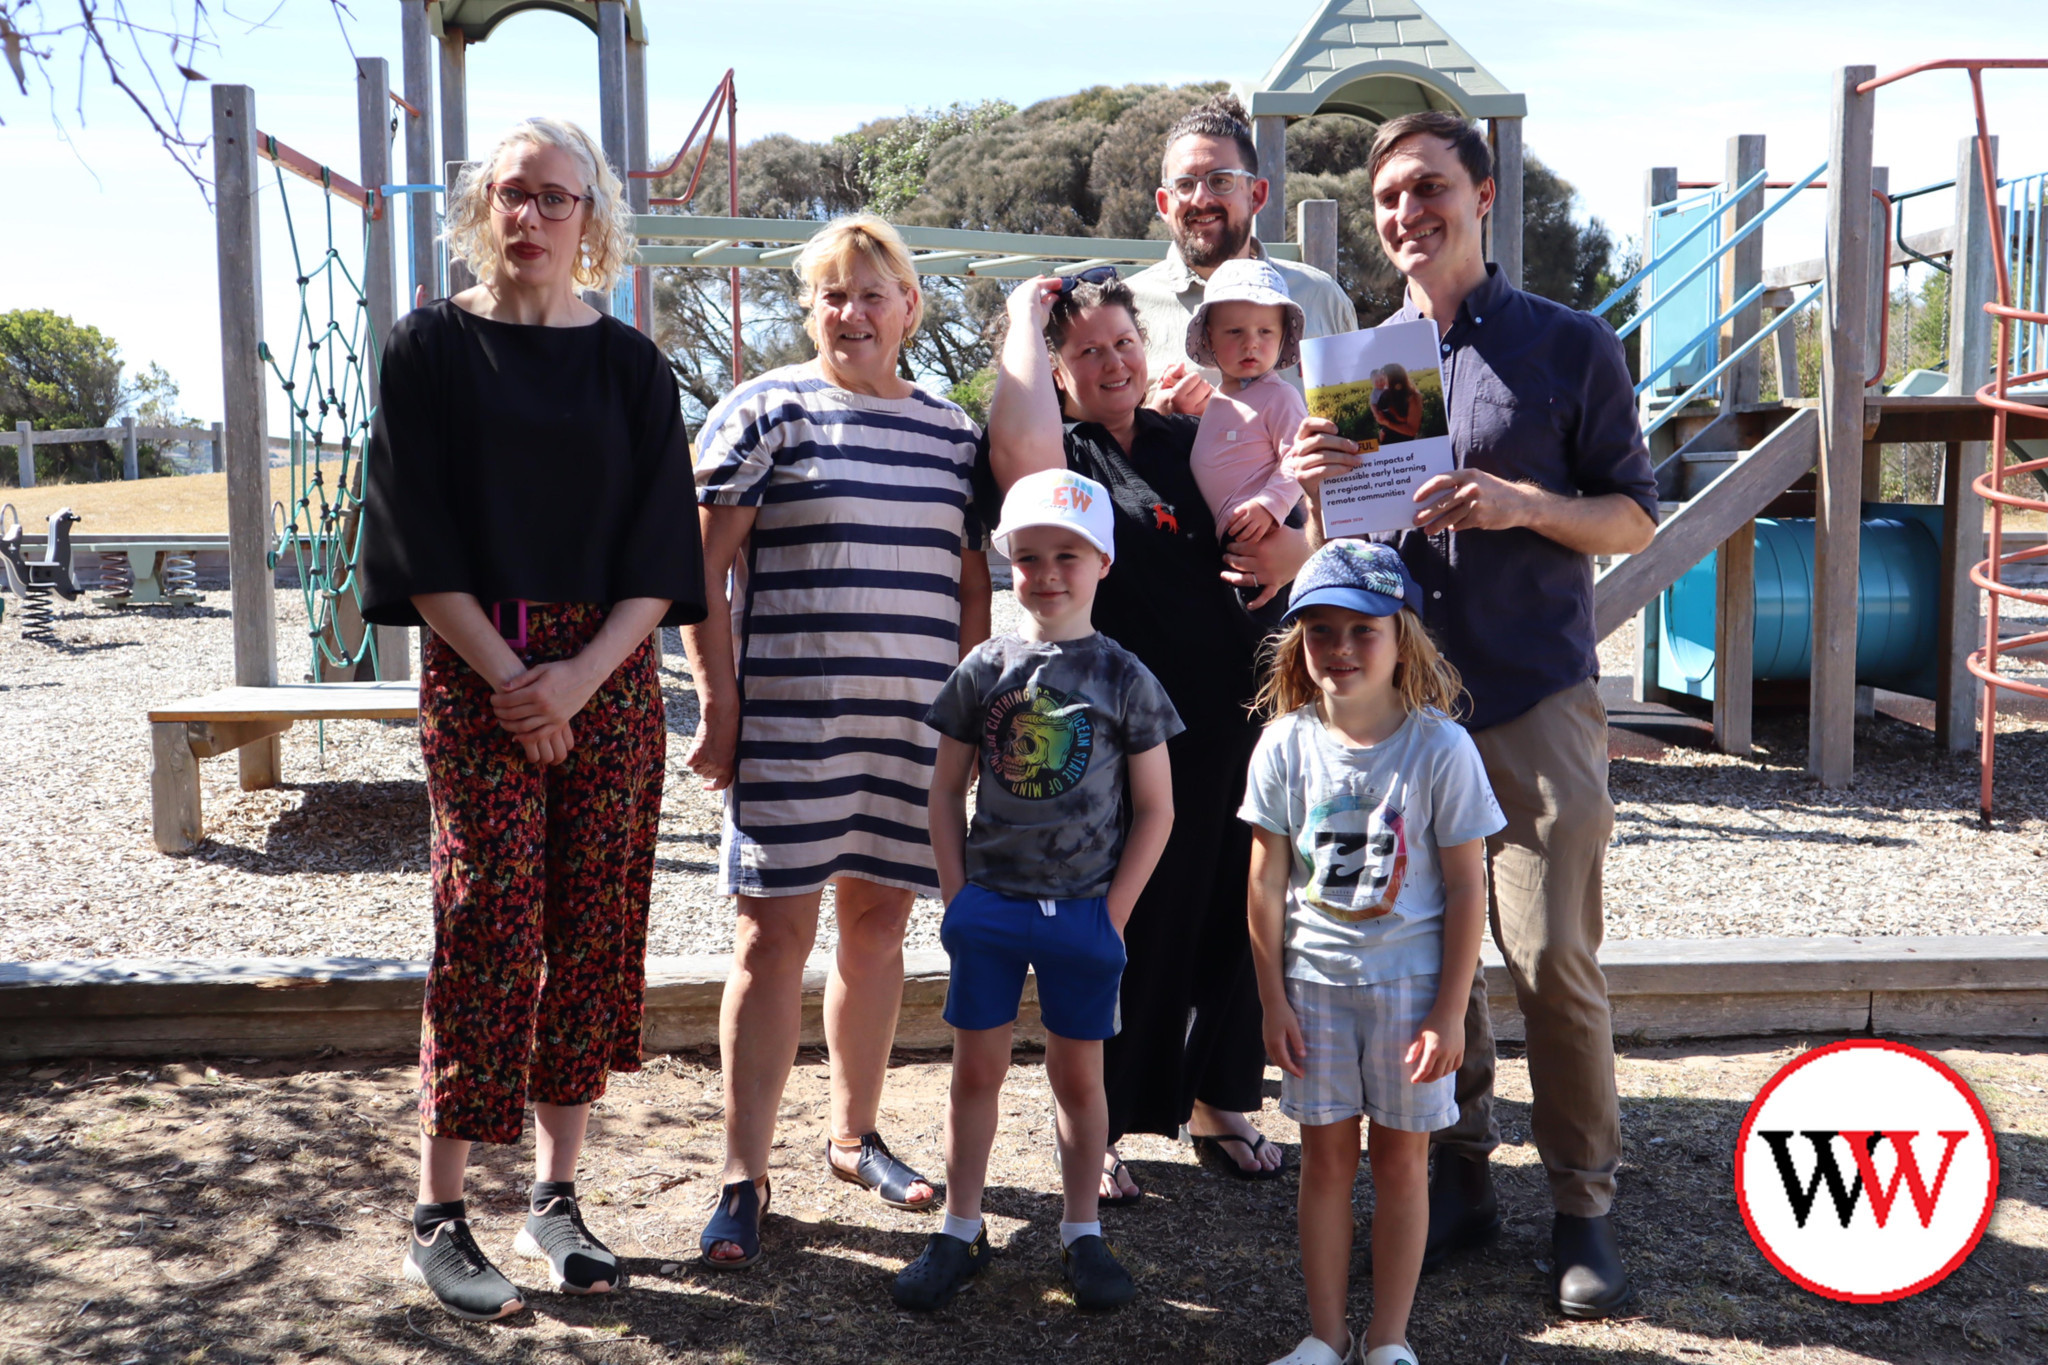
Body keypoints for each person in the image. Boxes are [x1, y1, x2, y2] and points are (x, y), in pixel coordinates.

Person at [1283, 110, 1660, 1319]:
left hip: (1533, 696)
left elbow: (1628, 520)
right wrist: (1311, 496)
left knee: (1548, 956)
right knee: (1426, 957)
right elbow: (1341, 558)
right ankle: (1458, 1173)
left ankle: (1581, 1205)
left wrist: (1516, 502)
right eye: (1389, 196)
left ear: (1482, 195)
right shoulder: (1361, 365)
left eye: (1429, 188)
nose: (1407, 214)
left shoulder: (1566, 345)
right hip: (1402, 716)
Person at [358, 115, 705, 1320]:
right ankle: (439, 1213)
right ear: (481, 208)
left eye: (555, 199)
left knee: (593, 920)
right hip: (476, 662)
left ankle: (557, 1198)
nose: (531, 217)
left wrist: (581, 677)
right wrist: (517, 678)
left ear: (591, 219)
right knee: (490, 915)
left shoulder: (629, 367)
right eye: (511, 194)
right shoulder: (429, 351)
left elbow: (664, 549)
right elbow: (413, 537)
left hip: (606, 677)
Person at [682, 214, 990, 1270]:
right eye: (830, 295)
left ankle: (855, 1134)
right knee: (769, 940)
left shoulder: (954, 433)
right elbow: (704, 572)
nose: (850, 314)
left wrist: (969, 722)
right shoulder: (765, 410)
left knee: (875, 932)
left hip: (908, 733)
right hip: (789, 730)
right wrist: (718, 705)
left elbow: (968, 586)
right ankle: (741, 1172)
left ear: (910, 307)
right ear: (806, 309)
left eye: (872, 294)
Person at [980, 271, 1311, 1204]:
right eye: (1087, 350)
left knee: (1239, 911)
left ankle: (1220, 1099)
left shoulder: (1187, 432)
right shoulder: (1065, 454)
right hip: (1123, 736)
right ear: (1058, 368)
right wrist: (1020, 317)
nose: (1113, 362)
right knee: (1129, 923)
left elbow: (1292, 479)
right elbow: (1021, 450)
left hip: (1239, 712)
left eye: (1125, 342)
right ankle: (1098, 1121)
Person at [892, 468, 1180, 1313]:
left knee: (1078, 1078)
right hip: (991, 909)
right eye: (1029, 557)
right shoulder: (985, 667)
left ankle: (1082, 1229)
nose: (1047, 573)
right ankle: (960, 1225)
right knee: (973, 1070)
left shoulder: (1126, 676)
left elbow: (1159, 810)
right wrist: (957, 897)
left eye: (1068, 555)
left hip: (1084, 915)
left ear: (1102, 563)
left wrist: (1114, 914)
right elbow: (946, 790)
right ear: (1008, 561)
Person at [1243, 541, 1501, 1365]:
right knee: (1324, 1161)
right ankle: (1324, 1335)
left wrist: (1450, 1008)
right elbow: (1265, 878)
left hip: (1412, 990)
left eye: (1363, 629)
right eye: (1320, 631)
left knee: (1400, 1159)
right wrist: (1271, 998)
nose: (1341, 649)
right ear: (1298, 642)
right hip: (1314, 986)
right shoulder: (1283, 744)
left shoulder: (1442, 749)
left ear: (1403, 636)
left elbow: (1468, 887)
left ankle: (1389, 1339)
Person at [1127, 93, 1358, 415]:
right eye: (1184, 184)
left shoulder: (1320, 298)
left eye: (1220, 181)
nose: (1201, 198)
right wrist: (1155, 418)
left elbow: (1359, 429)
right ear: (1165, 204)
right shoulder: (1126, 309)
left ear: (1257, 195)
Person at [1185, 257, 1309, 605]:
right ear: (1210, 335)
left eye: (1265, 332)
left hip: (1271, 528)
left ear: (1284, 336)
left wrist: (1270, 505)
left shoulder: (1279, 395)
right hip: (1232, 540)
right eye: (1235, 331)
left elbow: (1299, 458)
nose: (1251, 343)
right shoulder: (1219, 400)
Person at [1371, 363, 1424, 441]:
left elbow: (1412, 430)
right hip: (1388, 440)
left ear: (1393, 378)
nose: (1383, 382)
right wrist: (1383, 429)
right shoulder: (1386, 394)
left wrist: (1388, 423)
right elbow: (1381, 417)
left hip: (1406, 442)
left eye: (1384, 377)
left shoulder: (1413, 397)